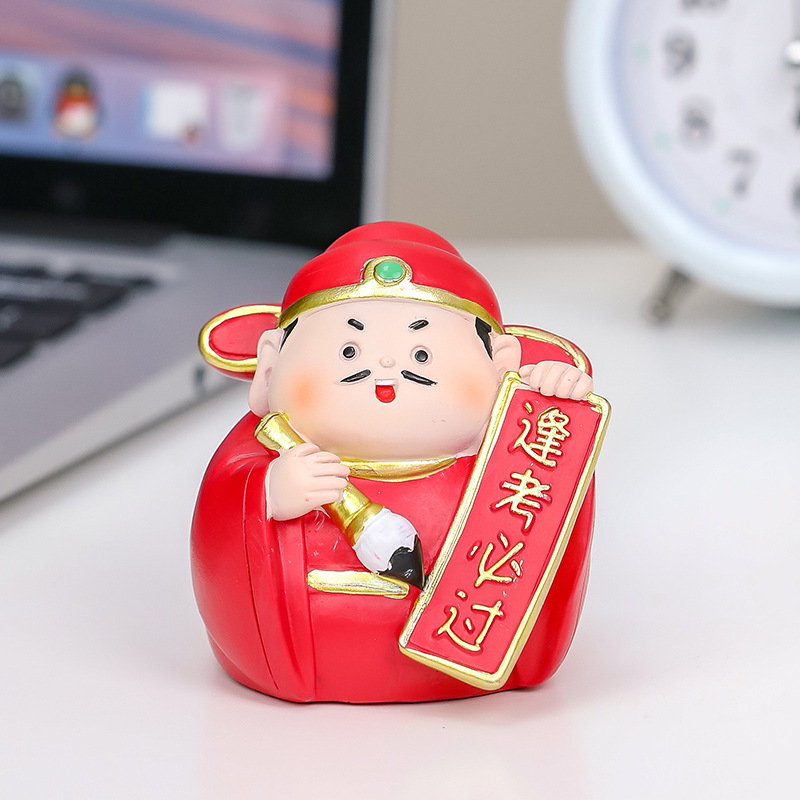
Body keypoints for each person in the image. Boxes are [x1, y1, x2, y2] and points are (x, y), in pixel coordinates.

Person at [192, 221, 596, 703]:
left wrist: (550, 414)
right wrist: (267, 494)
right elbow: (222, 521)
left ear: (500, 363)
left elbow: (545, 520)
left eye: (421, 353)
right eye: (349, 350)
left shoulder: (504, 449)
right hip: (304, 652)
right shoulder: (266, 448)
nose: (385, 371)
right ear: (270, 365)